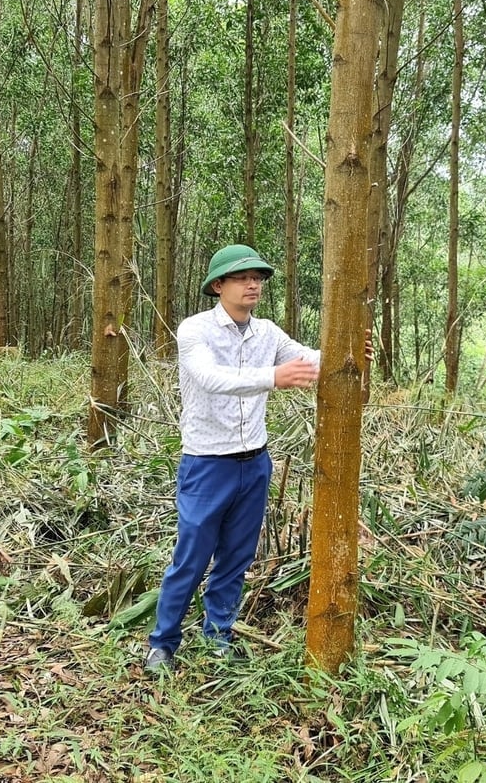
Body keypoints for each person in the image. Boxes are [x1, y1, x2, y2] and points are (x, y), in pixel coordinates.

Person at [145, 244, 320, 673]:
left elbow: (308, 358)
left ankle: (218, 636)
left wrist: (347, 352)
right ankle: (163, 643)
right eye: (242, 277)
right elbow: (209, 378)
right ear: (218, 284)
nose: (253, 284)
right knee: (191, 556)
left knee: (237, 558)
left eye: (258, 277)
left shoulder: (267, 333)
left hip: (254, 463)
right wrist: (272, 378)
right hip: (207, 464)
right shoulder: (195, 330)